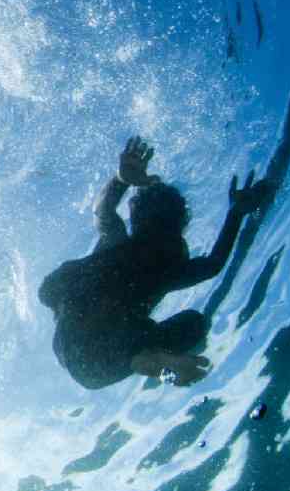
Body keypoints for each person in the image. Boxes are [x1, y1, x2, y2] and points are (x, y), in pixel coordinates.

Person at [39, 138, 275, 389]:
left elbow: (104, 210)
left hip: (81, 349)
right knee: (193, 324)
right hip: (102, 358)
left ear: (139, 221)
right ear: (178, 228)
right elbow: (213, 264)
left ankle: (151, 362)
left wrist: (121, 180)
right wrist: (235, 213)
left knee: (72, 297)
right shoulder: (167, 270)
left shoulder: (117, 239)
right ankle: (151, 361)